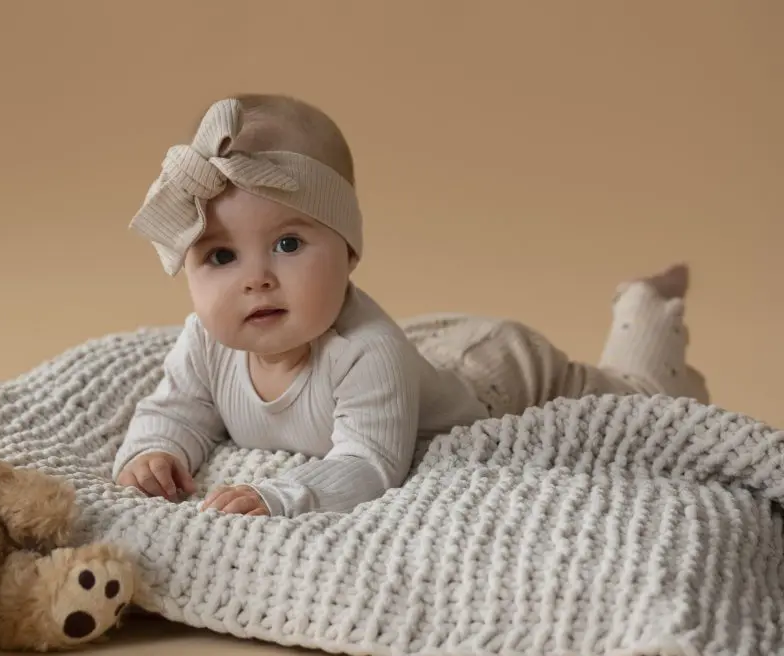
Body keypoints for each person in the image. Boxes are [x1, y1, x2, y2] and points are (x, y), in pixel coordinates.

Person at [111, 94, 709, 518]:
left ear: (348, 252)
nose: (257, 280)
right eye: (221, 257)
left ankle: (646, 306)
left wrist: (281, 495)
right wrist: (154, 451)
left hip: (501, 373)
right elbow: (177, 410)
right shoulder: (205, 341)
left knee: (638, 403)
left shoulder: (366, 354)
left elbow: (369, 465)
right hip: (434, 353)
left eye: (288, 244)